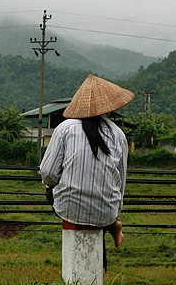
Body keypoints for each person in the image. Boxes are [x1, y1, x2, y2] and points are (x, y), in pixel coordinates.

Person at [39, 74, 134, 267]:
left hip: (69, 208)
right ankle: (112, 225)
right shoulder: (118, 134)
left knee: (49, 188)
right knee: (98, 220)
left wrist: (58, 185)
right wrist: (115, 213)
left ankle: (111, 226)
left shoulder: (65, 129)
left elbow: (48, 173)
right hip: (106, 210)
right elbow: (120, 181)